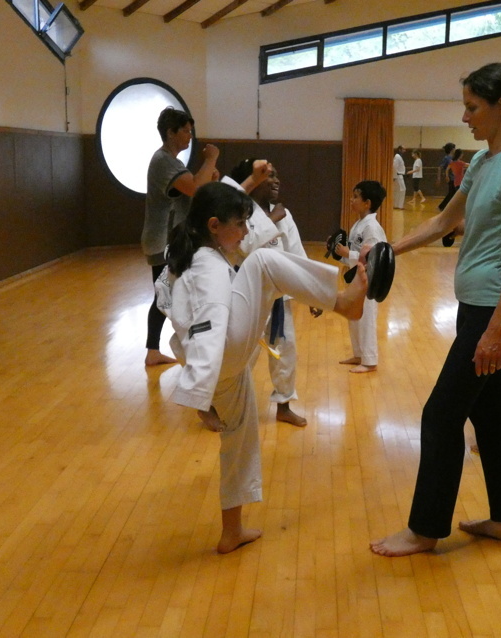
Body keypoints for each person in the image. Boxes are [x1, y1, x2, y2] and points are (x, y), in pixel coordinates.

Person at [370, 62, 501, 557]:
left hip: (495, 312)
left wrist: (497, 330)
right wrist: (387, 250)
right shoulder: (484, 160)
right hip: (476, 307)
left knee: (440, 415)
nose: (465, 117)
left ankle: (424, 530)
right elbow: (445, 220)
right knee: (490, 415)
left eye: (472, 107)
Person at [156, 180, 369, 553]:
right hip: (219, 353)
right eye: (239, 224)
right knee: (263, 262)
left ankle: (232, 531)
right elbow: (209, 321)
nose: (244, 232)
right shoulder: (206, 265)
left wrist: (205, 389)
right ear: (213, 225)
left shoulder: (188, 254)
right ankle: (342, 303)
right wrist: (198, 391)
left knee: (238, 438)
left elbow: (170, 303)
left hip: (221, 366)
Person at [229, 159, 319, 427]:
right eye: (269, 176)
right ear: (253, 180)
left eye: (277, 175)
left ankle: (284, 405)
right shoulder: (239, 212)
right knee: (242, 353)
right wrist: (271, 220)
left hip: (279, 297)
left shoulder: (284, 213)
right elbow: (243, 246)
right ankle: (221, 403)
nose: (276, 180)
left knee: (286, 352)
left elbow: (296, 253)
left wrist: (312, 292)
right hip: (249, 296)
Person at [141, 107, 219, 367]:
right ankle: (158, 350)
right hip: (163, 242)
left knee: (167, 295)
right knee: (166, 296)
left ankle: (155, 350)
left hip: (169, 241)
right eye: (185, 130)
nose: (189, 136)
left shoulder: (172, 162)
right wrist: (211, 159)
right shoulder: (164, 161)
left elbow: (197, 189)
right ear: (170, 132)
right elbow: (195, 187)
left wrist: (209, 176)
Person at [334, 180, 388, 373]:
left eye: (356, 197)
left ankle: (370, 360)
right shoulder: (359, 224)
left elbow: (374, 257)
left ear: (367, 203)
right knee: (354, 316)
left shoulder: (372, 227)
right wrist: (339, 254)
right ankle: (359, 354)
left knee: (366, 319)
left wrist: (348, 253)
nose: (351, 200)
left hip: (369, 280)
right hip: (356, 277)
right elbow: (354, 252)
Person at [437, 142, 457, 210]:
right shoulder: (447, 158)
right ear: (452, 149)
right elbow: (440, 168)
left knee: (452, 193)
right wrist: (439, 178)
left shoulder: (453, 158)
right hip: (450, 178)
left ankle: (445, 206)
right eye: (454, 148)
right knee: (452, 193)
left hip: (454, 178)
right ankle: (442, 206)